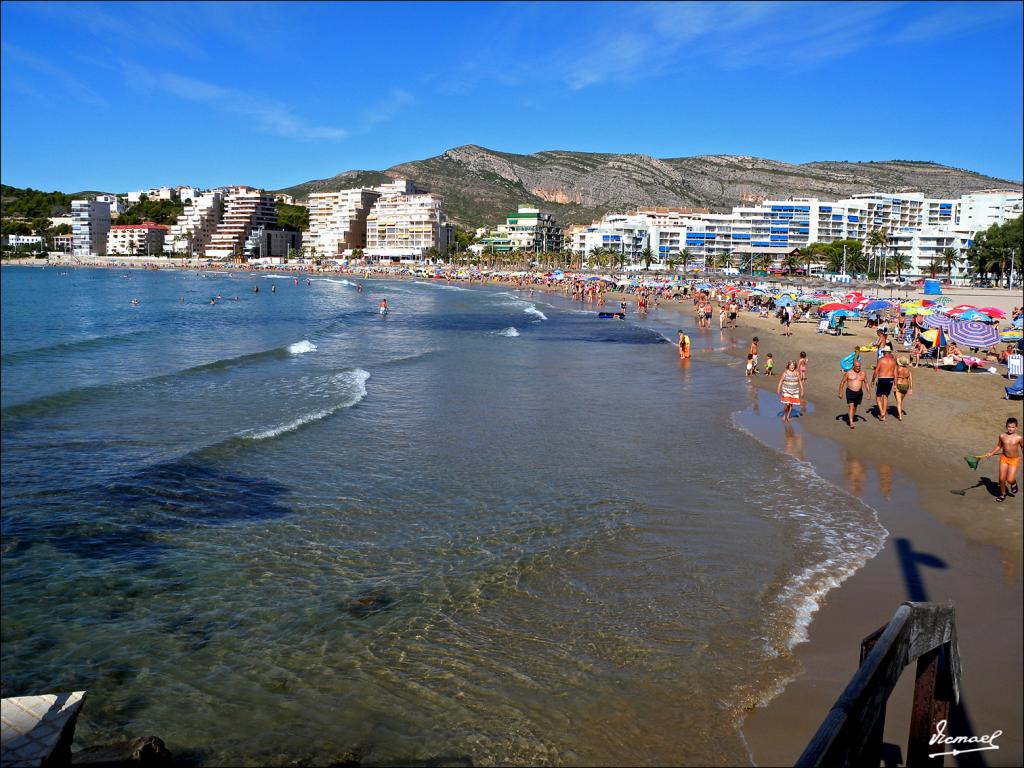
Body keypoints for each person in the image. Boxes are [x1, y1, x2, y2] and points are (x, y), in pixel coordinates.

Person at [978, 417, 1022, 502]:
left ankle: (1013, 483)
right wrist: (992, 453)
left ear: (1016, 427)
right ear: (1006, 426)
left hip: (1014, 459)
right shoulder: (1002, 436)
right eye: (1009, 427)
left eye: (1013, 427)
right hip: (1004, 458)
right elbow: (999, 446)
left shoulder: (1019, 438)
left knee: (1009, 479)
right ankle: (1003, 494)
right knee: (1001, 479)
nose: (1011, 429)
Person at [838, 359, 867, 429]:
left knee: (855, 406)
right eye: (856, 366)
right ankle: (851, 422)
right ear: (853, 366)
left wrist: (868, 393)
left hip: (859, 392)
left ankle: (850, 417)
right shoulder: (848, 373)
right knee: (851, 406)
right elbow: (842, 382)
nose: (858, 368)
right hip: (850, 391)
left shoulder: (863, 373)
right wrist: (840, 392)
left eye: (859, 366)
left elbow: (866, 383)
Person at [872, 345, 898, 421]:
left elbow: (876, 371)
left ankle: (882, 412)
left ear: (883, 352)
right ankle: (883, 415)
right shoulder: (893, 361)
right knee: (886, 396)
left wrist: (873, 380)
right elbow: (895, 373)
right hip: (890, 379)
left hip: (882, 379)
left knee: (878, 396)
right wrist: (895, 384)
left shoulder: (881, 360)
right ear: (889, 352)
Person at [894, 356, 914, 421]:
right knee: (901, 401)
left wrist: (894, 385)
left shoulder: (897, 368)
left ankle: (900, 416)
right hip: (905, 385)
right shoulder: (908, 370)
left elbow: (895, 377)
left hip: (898, 384)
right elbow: (910, 379)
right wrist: (911, 388)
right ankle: (899, 412)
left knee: (899, 402)